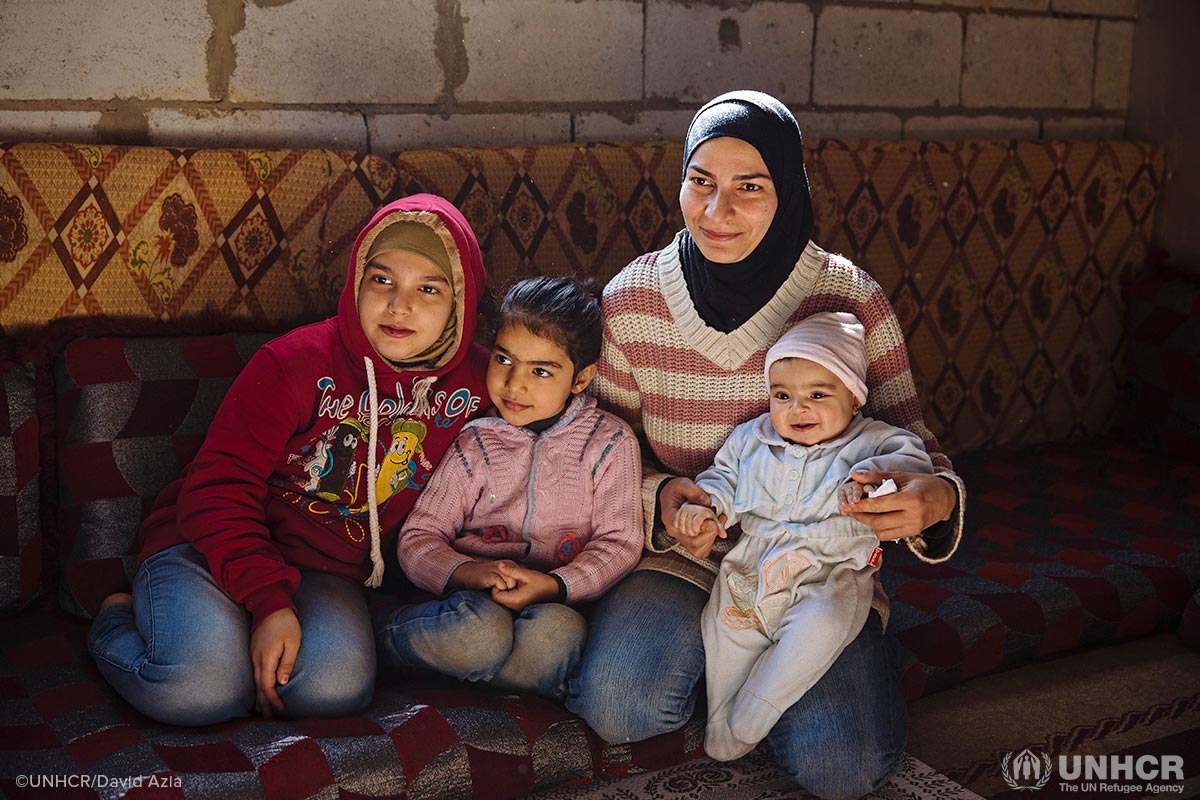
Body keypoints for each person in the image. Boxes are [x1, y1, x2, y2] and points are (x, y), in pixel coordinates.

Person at [565, 90, 965, 800]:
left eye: (749, 188)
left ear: (789, 189)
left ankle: (798, 665)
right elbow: (603, 446)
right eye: (701, 182)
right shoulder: (633, 301)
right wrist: (665, 497)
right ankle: (746, 670)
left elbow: (912, 438)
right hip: (683, 555)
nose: (717, 213)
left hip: (815, 568)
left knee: (839, 768)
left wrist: (932, 499)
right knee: (623, 705)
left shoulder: (846, 298)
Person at [87, 194, 491, 726]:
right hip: (207, 546)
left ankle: (235, 639)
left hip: (326, 572)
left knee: (333, 689)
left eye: (429, 289)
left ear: (461, 305)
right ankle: (115, 620)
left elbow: (555, 401)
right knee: (200, 688)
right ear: (355, 282)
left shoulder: (486, 383)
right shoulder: (294, 362)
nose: (399, 306)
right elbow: (216, 490)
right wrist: (269, 603)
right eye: (382, 280)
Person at [676, 312, 934, 761]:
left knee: (824, 626)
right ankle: (723, 716)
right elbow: (722, 478)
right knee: (726, 629)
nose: (798, 408)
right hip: (754, 562)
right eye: (783, 395)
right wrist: (707, 506)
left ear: (854, 399)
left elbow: (914, 464)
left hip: (832, 569)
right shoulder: (750, 439)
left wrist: (874, 484)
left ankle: (755, 710)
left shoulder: (874, 441)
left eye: (817, 394)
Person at [377, 277, 642, 701]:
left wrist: (555, 585)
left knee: (561, 633)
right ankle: (391, 639)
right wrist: (470, 573)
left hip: (552, 604)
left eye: (540, 371)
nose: (514, 385)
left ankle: (461, 675)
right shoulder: (475, 442)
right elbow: (419, 536)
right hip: (471, 604)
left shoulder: (610, 444)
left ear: (581, 378)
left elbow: (620, 543)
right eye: (504, 359)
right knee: (482, 633)